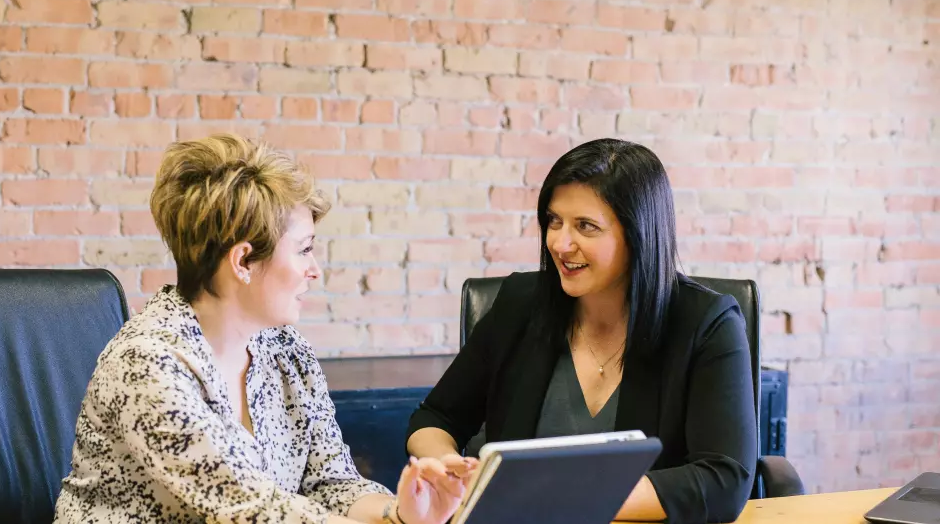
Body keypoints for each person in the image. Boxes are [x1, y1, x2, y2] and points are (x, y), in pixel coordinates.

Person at [54, 133, 465, 524]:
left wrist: (402, 513)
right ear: (243, 262)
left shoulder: (288, 351)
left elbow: (331, 484)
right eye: (304, 249)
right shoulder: (147, 363)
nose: (314, 270)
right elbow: (250, 510)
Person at [404, 138, 758, 524]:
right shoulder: (521, 304)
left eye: (585, 226)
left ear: (638, 234)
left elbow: (725, 479)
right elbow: (435, 418)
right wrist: (449, 468)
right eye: (554, 221)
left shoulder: (707, 323)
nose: (559, 242)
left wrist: (560, 498)